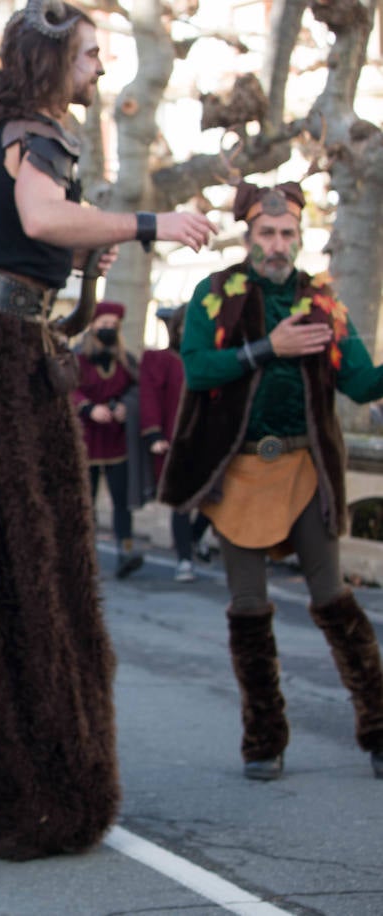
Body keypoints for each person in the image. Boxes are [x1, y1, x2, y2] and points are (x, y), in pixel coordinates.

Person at [0, 0, 216, 861]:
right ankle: (32, 776)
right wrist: (149, 225)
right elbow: (38, 219)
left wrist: (78, 259)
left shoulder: (4, 139)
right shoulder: (40, 133)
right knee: (25, 563)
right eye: (90, 54)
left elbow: (13, 245)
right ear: (51, 63)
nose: (101, 67)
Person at [161, 180, 383, 782]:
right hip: (239, 473)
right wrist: (269, 347)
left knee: (333, 599)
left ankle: (380, 728)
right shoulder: (217, 294)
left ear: (299, 237)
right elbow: (198, 370)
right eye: (267, 233)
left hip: (307, 469)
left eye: (287, 234)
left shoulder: (324, 304)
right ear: (249, 236)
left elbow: (361, 384)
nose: (278, 244)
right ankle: (264, 738)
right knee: (249, 607)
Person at [74, 300, 144, 578]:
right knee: (85, 501)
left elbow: (138, 389)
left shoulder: (125, 360)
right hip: (87, 441)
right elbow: (69, 390)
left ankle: (125, 550)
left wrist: (125, 405)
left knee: (122, 501)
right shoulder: (78, 359)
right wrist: (89, 408)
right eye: (104, 325)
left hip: (116, 441)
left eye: (113, 326)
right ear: (92, 326)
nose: (108, 329)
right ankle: (85, 555)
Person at [140, 305, 210, 582]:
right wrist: (154, 434)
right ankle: (184, 559)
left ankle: (194, 538)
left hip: (208, 440)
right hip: (175, 440)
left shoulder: (212, 360)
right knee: (181, 501)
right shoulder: (163, 360)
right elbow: (149, 397)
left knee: (216, 498)